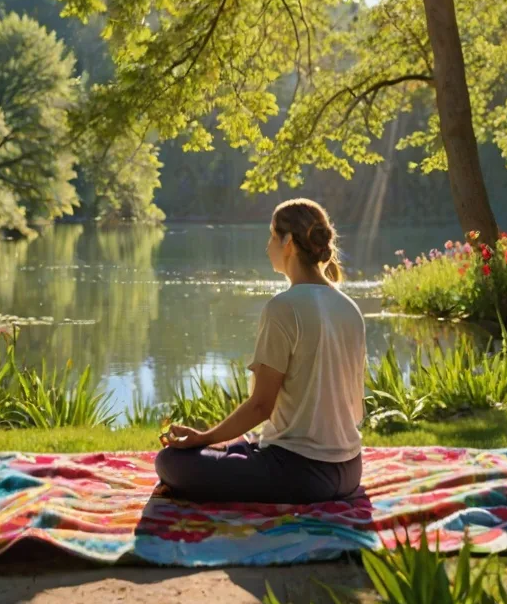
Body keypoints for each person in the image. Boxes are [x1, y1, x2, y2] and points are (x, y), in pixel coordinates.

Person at [155, 198, 366, 504]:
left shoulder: (283, 308)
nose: (268, 246)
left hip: (303, 475)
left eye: (271, 236)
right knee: (237, 449)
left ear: (289, 243)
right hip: (350, 470)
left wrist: (205, 437)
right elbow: (354, 408)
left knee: (170, 462)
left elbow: (260, 407)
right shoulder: (350, 308)